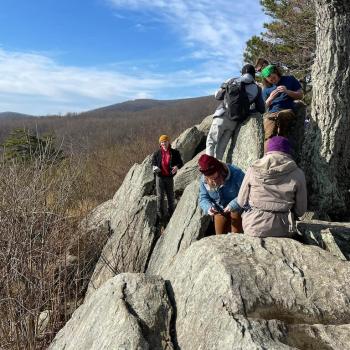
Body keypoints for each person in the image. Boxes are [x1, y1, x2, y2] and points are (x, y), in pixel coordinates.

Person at [237, 136, 307, 238]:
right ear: (288, 151)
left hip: (253, 226)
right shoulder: (298, 173)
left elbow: (241, 201)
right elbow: (300, 210)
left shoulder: (253, 169)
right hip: (283, 228)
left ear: (268, 150)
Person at [206, 64, 265, 160]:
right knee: (221, 149)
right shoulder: (257, 89)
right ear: (253, 74)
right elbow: (261, 109)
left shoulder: (232, 80)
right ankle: (217, 171)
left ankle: (208, 170)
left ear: (242, 73)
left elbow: (217, 96)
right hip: (234, 121)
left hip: (221, 115)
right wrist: (247, 111)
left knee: (211, 142)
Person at [261, 64, 304, 152]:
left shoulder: (290, 79)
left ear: (276, 73)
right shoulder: (266, 89)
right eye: (270, 80)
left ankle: (282, 152)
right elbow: (263, 108)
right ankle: (267, 157)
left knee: (281, 116)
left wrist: (287, 91)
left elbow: (300, 95)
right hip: (271, 114)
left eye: (274, 78)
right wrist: (270, 99)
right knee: (269, 134)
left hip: (287, 111)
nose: (272, 81)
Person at [198, 154, 245, 234]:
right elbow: (203, 198)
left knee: (236, 234)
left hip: (237, 208)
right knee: (219, 236)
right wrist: (208, 208)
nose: (212, 180)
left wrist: (233, 205)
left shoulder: (236, 173)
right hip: (218, 210)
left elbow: (246, 192)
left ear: (218, 169)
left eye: (214, 177)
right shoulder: (204, 180)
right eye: (209, 177)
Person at [152, 135, 183, 224]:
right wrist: (155, 168)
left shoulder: (175, 153)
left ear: (168, 142)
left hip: (169, 177)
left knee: (170, 197)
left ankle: (171, 215)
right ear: (160, 144)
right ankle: (161, 217)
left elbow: (180, 162)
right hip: (160, 177)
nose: (163, 144)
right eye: (162, 142)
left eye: (165, 141)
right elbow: (153, 163)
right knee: (160, 197)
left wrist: (177, 167)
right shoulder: (157, 153)